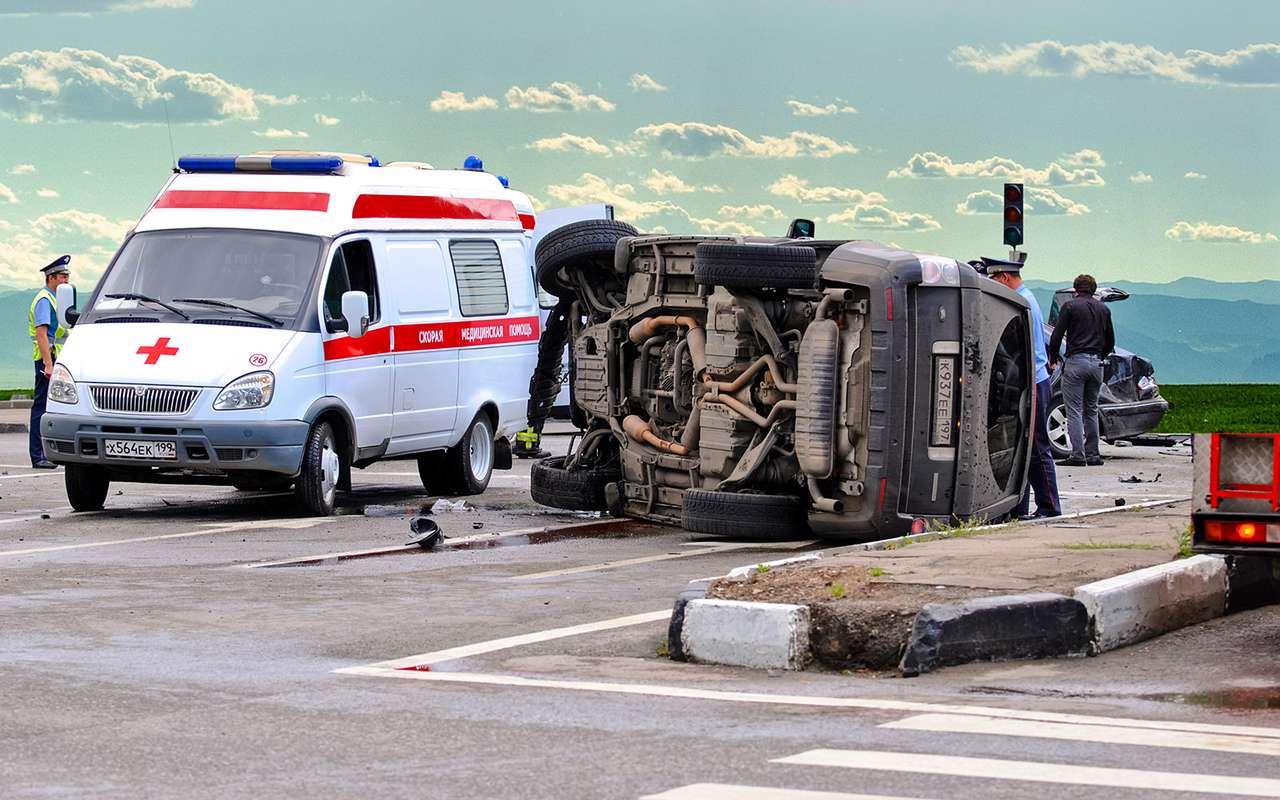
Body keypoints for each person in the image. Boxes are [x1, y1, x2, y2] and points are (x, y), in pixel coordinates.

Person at [981, 256, 1060, 519]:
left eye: (994, 279)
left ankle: (1049, 507)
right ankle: (1018, 508)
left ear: (1004, 277)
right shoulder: (1026, 299)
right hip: (1035, 381)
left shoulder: (1021, 303)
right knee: (1023, 448)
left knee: (1036, 447)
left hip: (1033, 383)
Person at [1048, 273, 1115, 468]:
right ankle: (1093, 454)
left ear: (1075, 289)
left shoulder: (1069, 307)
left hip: (1076, 362)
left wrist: (1053, 358)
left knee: (1074, 410)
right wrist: (1100, 356)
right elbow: (1111, 341)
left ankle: (1078, 455)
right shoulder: (1104, 309)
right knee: (1091, 409)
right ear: (1093, 289)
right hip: (1097, 364)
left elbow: (1056, 335)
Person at [28, 255, 71, 469]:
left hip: (57, 358)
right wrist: (48, 364)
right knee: (42, 407)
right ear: (51, 278)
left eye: (67, 276)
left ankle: (47, 452)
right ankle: (38, 455)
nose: (66, 280)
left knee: (52, 405)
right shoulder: (45, 300)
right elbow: (42, 334)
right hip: (48, 360)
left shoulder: (56, 299)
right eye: (62, 276)